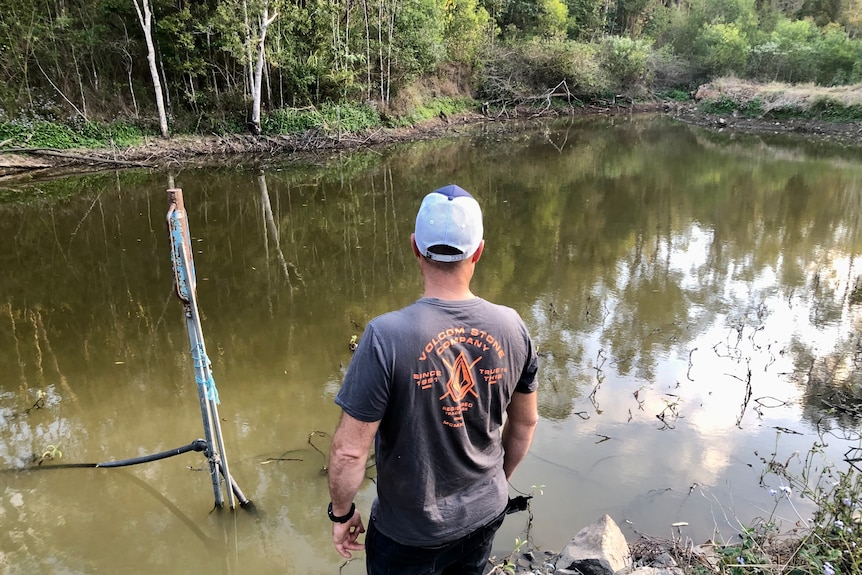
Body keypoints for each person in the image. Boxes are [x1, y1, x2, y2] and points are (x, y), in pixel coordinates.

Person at [327, 184, 539, 575]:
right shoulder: (513, 326)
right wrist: (495, 482)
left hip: (409, 534)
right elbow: (524, 424)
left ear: (414, 247)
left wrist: (340, 514)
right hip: (484, 515)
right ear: (479, 251)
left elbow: (349, 452)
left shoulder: (385, 337)